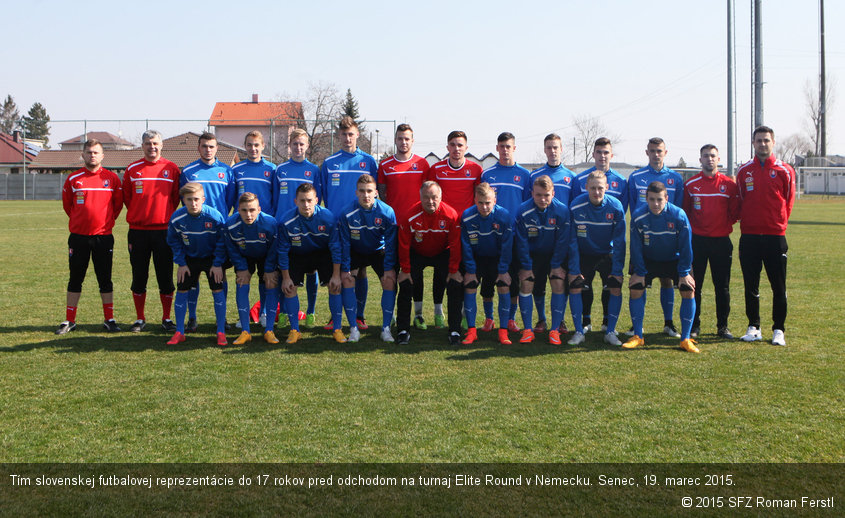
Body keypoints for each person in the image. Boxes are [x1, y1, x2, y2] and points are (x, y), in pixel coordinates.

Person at [56, 139, 123, 335]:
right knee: (75, 278)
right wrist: (81, 222)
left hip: (103, 237)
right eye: (89, 152)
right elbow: (68, 206)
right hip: (78, 237)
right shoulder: (73, 179)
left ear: (102, 156)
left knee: (105, 279)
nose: (92, 155)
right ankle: (70, 320)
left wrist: (104, 222)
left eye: (96, 152)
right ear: (83, 155)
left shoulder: (112, 179)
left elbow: (117, 206)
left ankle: (109, 319)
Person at [317, 116, 378, 330]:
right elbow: (321, 195)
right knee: (338, 271)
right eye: (343, 134)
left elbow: (375, 194)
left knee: (359, 271)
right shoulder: (329, 163)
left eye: (351, 134)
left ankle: (359, 316)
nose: (347, 138)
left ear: (357, 134)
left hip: (361, 226)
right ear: (338, 136)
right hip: (336, 227)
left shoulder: (369, 162)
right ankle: (336, 316)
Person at [736, 126, 795, 346]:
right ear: (753, 143)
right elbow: (741, 200)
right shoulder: (744, 171)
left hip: (775, 237)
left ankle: (779, 329)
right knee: (751, 285)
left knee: (778, 286)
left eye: (766, 140)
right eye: (759, 140)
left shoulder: (785, 170)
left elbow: (788, 202)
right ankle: (754, 327)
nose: (762, 144)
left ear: (773, 142)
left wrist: (777, 225)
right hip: (749, 236)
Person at [623, 181, 699, 353]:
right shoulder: (638, 216)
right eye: (651, 200)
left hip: (674, 259)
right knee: (635, 288)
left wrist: (684, 273)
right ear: (646, 199)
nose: (655, 204)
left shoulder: (678, 215)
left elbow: (686, 247)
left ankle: (685, 339)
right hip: (648, 259)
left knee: (688, 289)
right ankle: (637, 336)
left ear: (666, 198)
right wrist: (640, 272)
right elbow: (635, 247)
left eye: (659, 199)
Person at [270, 183, 345, 344]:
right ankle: (295, 330)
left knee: (335, 286)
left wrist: (337, 275)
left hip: (322, 254)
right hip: (297, 254)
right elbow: (282, 251)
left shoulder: (328, 218)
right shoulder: (286, 221)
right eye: (302, 200)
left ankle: (337, 329)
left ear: (316, 200)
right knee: (289, 288)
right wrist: (286, 277)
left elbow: (336, 247)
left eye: (310, 200)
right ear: (295, 201)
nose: (306, 204)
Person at [625, 137, 685, 338]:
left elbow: (676, 208)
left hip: (667, 239)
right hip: (643, 237)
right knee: (638, 283)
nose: (656, 154)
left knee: (667, 281)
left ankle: (669, 324)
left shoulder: (675, 178)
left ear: (665, 153)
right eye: (652, 151)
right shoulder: (636, 177)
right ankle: (637, 327)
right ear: (647, 152)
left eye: (659, 151)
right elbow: (634, 208)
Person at [122, 130, 181, 333]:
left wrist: (162, 216)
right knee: (139, 276)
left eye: (155, 143)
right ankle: (140, 318)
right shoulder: (132, 169)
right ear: (142, 145)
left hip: (164, 232)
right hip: (138, 232)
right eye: (148, 143)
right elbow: (128, 199)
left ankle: (166, 318)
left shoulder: (171, 169)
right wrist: (141, 214)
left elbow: (175, 199)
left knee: (165, 276)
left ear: (161, 145)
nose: (152, 146)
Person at [424, 131, 482, 329]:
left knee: (464, 272)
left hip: (466, 229)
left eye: (460, 145)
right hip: (443, 228)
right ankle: (438, 313)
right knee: (441, 272)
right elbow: (430, 196)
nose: (456, 149)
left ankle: (465, 314)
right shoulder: (437, 169)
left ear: (466, 148)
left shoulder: (475, 169)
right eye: (452, 145)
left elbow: (478, 197)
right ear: (447, 147)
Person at [571, 137, 629, 333]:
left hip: (608, 247)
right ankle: (585, 322)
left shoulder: (621, 182)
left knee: (610, 286)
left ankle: (607, 323)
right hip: (585, 245)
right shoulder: (579, 180)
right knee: (582, 286)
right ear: (593, 154)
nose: (602, 156)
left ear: (611, 155)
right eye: (599, 152)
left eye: (606, 152)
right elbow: (576, 214)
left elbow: (618, 220)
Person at [682, 144, 740, 339]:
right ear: (700, 160)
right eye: (706, 156)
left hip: (721, 242)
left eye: (713, 156)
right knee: (695, 285)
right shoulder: (691, 185)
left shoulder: (729, 185)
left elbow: (734, 213)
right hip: (697, 242)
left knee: (722, 286)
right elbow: (686, 213)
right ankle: (694, 325)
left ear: (718, 158)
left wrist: (721, 227)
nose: (709, 159)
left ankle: (722, 326)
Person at [179, 132, 235, 332]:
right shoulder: (188, 171)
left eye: (211, 146)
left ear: (217, 148)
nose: (208, 150)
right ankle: (192, 318)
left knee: (221, 275)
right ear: (198, 148)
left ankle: (223, 318)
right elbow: (184, 199)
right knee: (192, 277)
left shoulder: (227, 171)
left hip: (218, 232)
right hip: (195, 231)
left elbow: (229, 201)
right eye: (204, 146)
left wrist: (218, 218)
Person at [396, 181, 463, 345]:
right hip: (417, 252)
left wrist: (454, 270)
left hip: (442, 252)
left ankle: (455, 330)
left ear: (441, 197)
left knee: (454, 284)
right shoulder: (410, 216)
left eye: (434, 197)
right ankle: (403, 330)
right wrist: (405, 270)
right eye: (426, 197)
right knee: (406, 283)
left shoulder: (451, 215)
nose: (430, 201)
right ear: (420, 197)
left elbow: (455, 245)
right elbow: (404, 245)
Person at [377, 124, 430, 329]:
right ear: (395, 140)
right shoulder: (385, 165)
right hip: (393, 228)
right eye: (400, 138)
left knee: (415, 273)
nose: (403, 142)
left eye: (407, 138)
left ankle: (418, 315)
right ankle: (390, 315)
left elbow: (428, 195)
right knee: (390, 272)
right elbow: (382, 195)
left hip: (416, 228)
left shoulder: (422, 164)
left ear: (412, 141)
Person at [337, 174, 399, 343]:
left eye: (369, 191)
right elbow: (345, 243)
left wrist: (388, 268)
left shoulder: (387, 212)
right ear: (356, 192)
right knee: (347, 280)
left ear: (376, 193)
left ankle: (386, 329)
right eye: (362, 191)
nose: (366, 195)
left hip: (377, 250)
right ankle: (353, 329)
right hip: (356, 251)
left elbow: (391, 244)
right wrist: (346, 267)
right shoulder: (347, 213)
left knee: (389, 280)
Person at [513, 175, 575, 345]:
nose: (542, 199)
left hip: (555, 254)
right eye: (538, 194)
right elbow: (521, 242)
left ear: (553, 193)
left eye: (546, 195)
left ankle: (554, 330)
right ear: (532, 193)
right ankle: (528, 329)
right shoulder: (523, 211)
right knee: (527, 282)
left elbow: (563, 242)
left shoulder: (562, 211)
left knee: (558, 281)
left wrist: (556, 265)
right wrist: (526, 266)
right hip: (532, 255)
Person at [165, 182, 228, 346]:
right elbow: (173, 241)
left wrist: (217, 263)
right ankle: (180, 331)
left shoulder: (214, 217)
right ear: (183, 200)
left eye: (196, 199)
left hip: (211, 259)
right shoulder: (177, 218)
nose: (193, 203)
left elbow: (222, 242)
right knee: (182, 288)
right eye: (189, 200)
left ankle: (220, 331)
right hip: (188, 260)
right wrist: (180, 263)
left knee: (217, 289)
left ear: (203, 199)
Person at [480, 132, 530, 335]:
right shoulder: (487, 174)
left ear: (514, 148)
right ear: (497, 148)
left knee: (513, 279)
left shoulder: (525, 175)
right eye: (501, 146)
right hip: (492, 236)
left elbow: (527, 204)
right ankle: (489, 318)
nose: (505, 150)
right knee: (489, 278)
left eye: (508, 146)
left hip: (515, 236)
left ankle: (510, 319)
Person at [528, 133, 577, 334]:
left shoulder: (571, 177)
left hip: (561, 238)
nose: (553, 151)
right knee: (538, 283)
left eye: (556, 147)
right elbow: (529, 205)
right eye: (549, 147)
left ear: (561, 149)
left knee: (560, 281)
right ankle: (541, 319)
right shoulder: (534, 176)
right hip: (539, 239)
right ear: (545, 149)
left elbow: (573, 206)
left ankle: (561, 319)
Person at [272, 128, 321, 328]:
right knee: (286, 269)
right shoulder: (280, 170)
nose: (298, 148)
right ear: (289, 146)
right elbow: (275, 199)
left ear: (307, 146)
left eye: (302, 144)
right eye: (295, 144)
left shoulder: (314, 170)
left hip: (307, 227)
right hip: (285, 227)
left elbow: (319, 199)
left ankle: (311, 312)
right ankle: (283, 311)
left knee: (312, 271)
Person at [232, 131, 276, 329]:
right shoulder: (237, 169)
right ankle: (243, 320)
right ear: (245, 146)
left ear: (263, 146)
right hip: (244, 229)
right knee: (243, 274)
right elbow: (231, 198)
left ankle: (265, 312)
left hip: (264, 230)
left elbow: (274, 198)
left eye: (256, 145)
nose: (253, 149)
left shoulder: (272, 169)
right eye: (249, 145)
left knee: (265, 275)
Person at [460, 183, 513, 345]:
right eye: (480, 202)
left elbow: (507, 246)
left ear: (494, 200)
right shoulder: (467, 216)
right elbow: (466, 245)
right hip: (476, 258)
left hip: (497, 258)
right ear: (475, 200)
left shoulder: (504, 216)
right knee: (470, 285)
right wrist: (470, 270)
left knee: (503, 285)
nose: (484, 207)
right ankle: (472, 331)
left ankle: (503, 332)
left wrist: (503, 269)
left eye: (488, 202)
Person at [224, 193, 279, 344]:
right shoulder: (231, 225)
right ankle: (245, 331)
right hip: (244, 256)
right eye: (244, 210)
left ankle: (269, 329)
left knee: (270, 281)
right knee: (241, 280)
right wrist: (241, 267)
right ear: (238, 210)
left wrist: (269, 269)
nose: (248, 214)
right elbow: (232, 249)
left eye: (252, 210)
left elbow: (274, 249)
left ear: (259, 209)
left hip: (266, 256)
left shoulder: (270, 223)